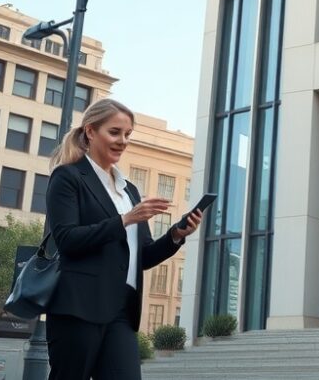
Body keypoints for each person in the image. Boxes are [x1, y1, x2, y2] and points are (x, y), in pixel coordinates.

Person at [44, 98, 203, 380]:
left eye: (128, 134)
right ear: (90, 131)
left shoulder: (128, 189)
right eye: (115, 132)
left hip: (122, 309)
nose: (123, 141)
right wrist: (125, 219)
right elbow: (67, 239)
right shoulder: (68, 177)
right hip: (79, 307)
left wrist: (175, 236)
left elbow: (144, 255)